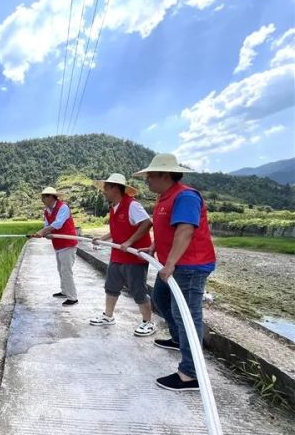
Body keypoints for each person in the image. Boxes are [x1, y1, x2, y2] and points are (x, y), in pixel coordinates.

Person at [133, 154, 216, 392]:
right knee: (160, 299)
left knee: (187, 317)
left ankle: (190, 374)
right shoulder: (163, 198)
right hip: (172, 264)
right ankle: (179, 339)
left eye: (150, 176)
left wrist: (169, 265)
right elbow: (164, 230)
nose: (147, 181)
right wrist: (154, 247)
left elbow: (185, 231)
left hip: (190, 266)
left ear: (165, 175)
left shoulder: (185, 196)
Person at [89, 173, 156, 337]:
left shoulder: (132, 205)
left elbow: (147, 223)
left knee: (138, 290)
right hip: (118, 255)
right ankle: (108, 316)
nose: (104, 192)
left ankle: (148, 322)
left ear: (115, 188)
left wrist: (130, 242)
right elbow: (116, 230)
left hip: (134, 256)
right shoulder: (114, 207)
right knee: (111, 286)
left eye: (106, 188)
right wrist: (102, 239)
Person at [31, 187, 79, 306]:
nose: (42, 199)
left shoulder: (63, 207)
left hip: (68, 243)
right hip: (58, 244)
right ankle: (64, 291)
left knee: (66, 270)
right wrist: (46, 234)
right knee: (60, 269)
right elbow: (47, 225)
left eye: (44, 197)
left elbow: (58, 223)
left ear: (51, 197)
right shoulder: (47, 210)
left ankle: (73, 297)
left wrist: (42, 231)